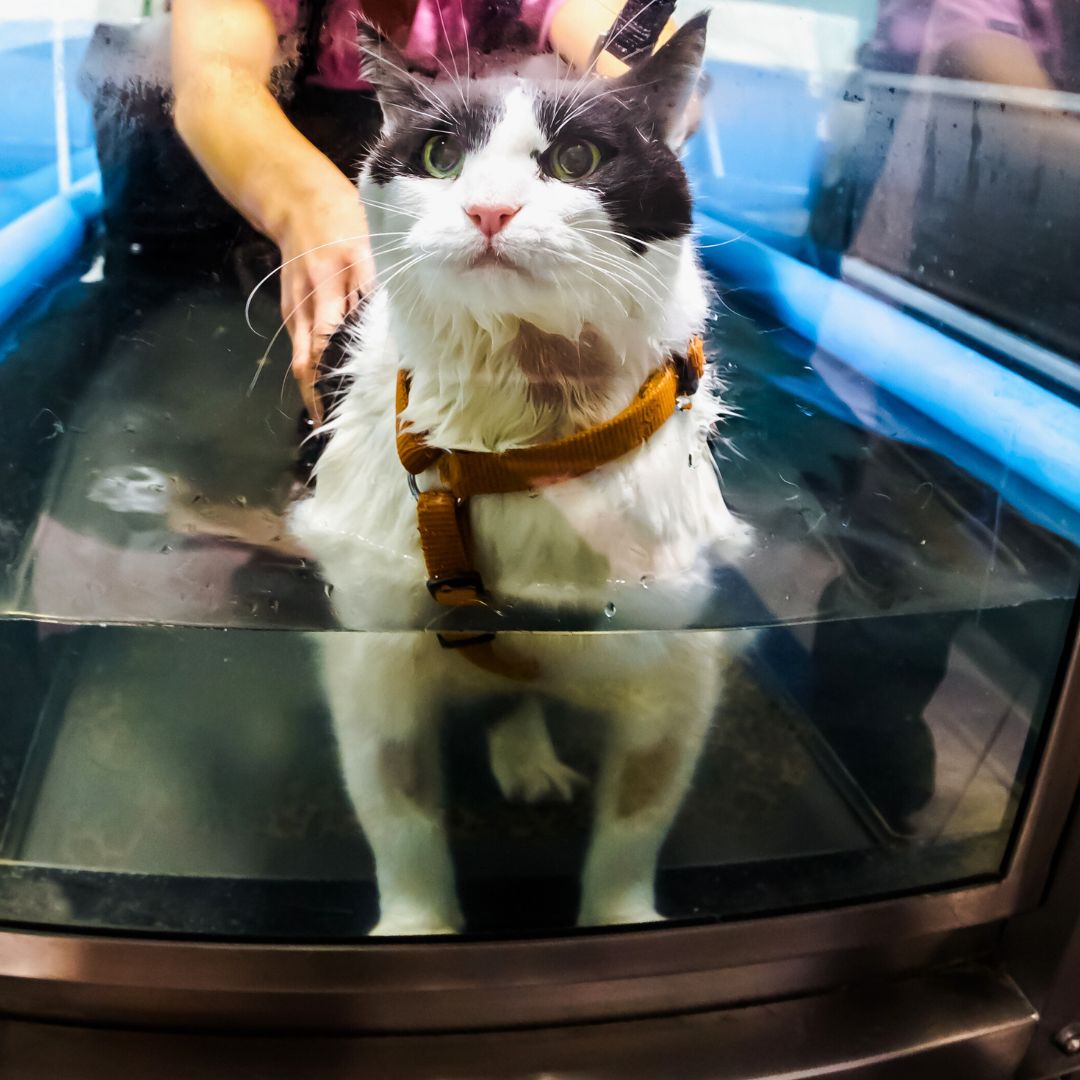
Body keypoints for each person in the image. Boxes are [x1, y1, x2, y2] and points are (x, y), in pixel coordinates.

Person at [172, 0, 678, 423]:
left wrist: (645, 105)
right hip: (241, 206)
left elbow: (641, 57)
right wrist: (312, 208)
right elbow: (213, 87)